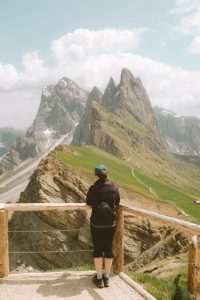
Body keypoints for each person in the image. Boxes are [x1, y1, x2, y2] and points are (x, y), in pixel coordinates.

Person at [86, 164, 120, 288]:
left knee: (98, 250)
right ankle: (107, 277)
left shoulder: (93, 188)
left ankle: (99, 278)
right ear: (107, 173)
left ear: (96, 175)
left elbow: (88, 202)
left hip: (96, 224)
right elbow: (117, 203)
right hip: (110, 224)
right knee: (108, 249)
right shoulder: (114, 187)